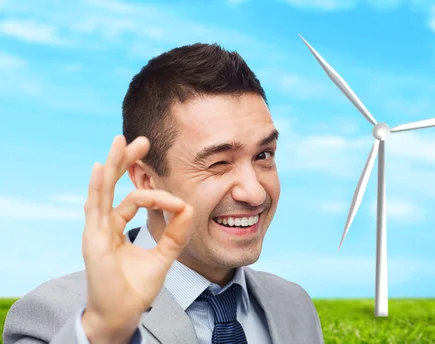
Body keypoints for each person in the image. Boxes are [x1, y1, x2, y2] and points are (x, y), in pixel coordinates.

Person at [3, 43, 325, 344]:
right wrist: (104, 329)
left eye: (263, 155)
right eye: (218, 163)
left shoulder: (294, 306)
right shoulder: (54, 319)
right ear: (145, 179)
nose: (254, 193)